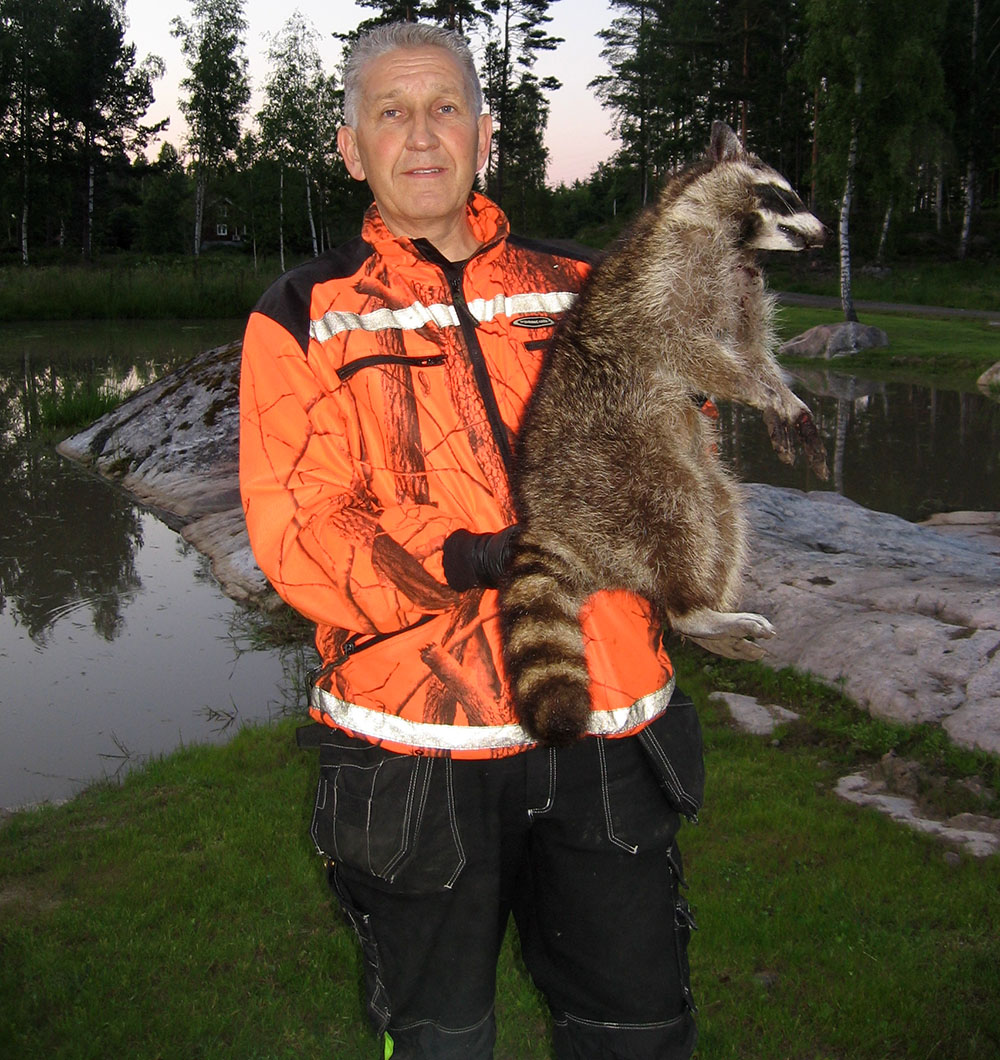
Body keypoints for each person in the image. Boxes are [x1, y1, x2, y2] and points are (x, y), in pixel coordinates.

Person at [239, 20, 703, 1060]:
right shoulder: (299, 316)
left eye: (444, 107)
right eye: (390, 112)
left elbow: (672, 453)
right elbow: (301, 526)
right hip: (416, 760)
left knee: (635, 1030)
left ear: (484, 134)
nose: (421, 135)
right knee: (441, 1039)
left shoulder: (586, 284)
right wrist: (465, 557)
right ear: (351, 148)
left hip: (605, 727)